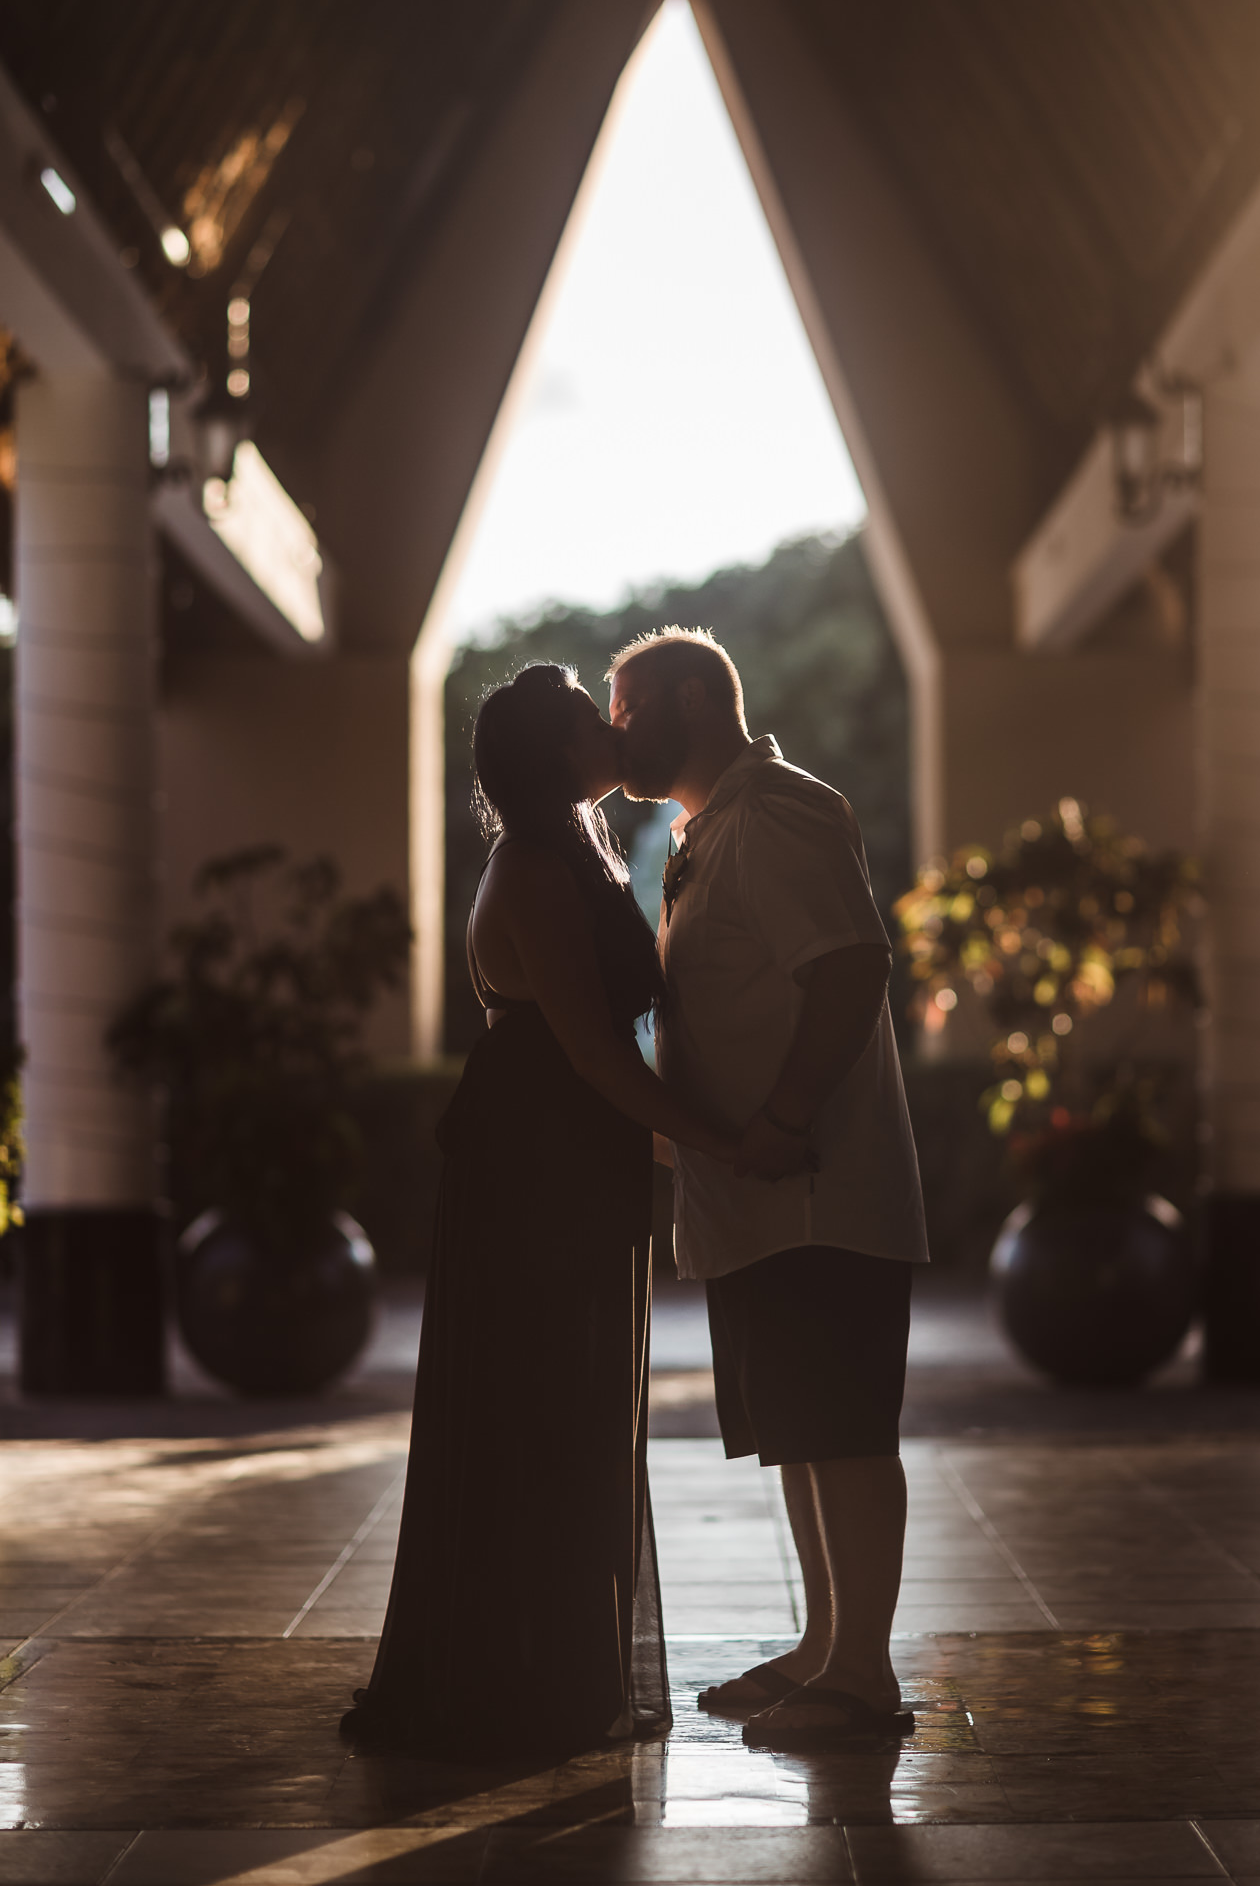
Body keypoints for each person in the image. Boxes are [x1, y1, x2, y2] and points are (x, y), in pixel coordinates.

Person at [342, 663, 732, 1758]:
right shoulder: (534, 867)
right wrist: (720, 1141)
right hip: (538, 1167)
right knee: (547, 1405)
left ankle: (548, 1663)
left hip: (568, 1155)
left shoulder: (575, 848)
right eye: (590, 714)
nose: (614, 724)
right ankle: (524, 1675)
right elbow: (594, 1053)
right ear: (563, 752)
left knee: (571, 1405)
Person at [608, 627, 929, 1749]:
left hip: (815, 1185)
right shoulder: (709, 829)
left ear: (698, 699)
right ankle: (824, 1645)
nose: (615, 726)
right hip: (757, 1195)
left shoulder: (781, 808)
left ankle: (864, 1670)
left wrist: (784, 1114)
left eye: (631, 702)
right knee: (800, 1426)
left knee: (842, 1423)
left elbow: (849, 964)